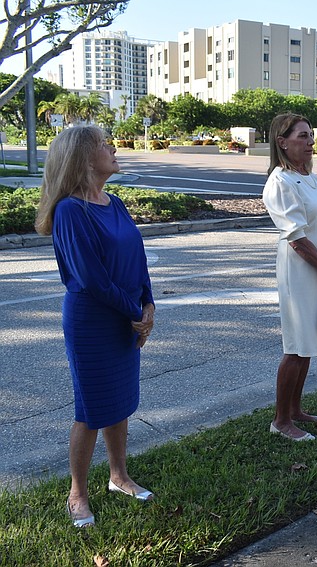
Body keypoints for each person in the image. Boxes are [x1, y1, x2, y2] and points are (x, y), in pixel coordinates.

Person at [34, 126, 156, 529]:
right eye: (105, 144)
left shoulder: (114, 203)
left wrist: (149, 303)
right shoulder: (70, 211)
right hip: (93, 322)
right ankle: (78, 494)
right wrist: (135, 311)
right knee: (90, 410)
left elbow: (137, 258)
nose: (113, 148)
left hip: (126, 316)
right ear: (84, 157)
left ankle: (119, 476)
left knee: (119, 401)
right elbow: (91, 279)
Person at [262, 113, 317, 442]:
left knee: (308, 343)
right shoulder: (280, 182)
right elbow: (296, 239)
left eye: (310, 135)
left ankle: (296, 410)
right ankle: (281, 420)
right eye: (302, 136)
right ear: (282, 142)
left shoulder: (312, 178)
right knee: (297, 346)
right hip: (300, 273)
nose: (311, 141)